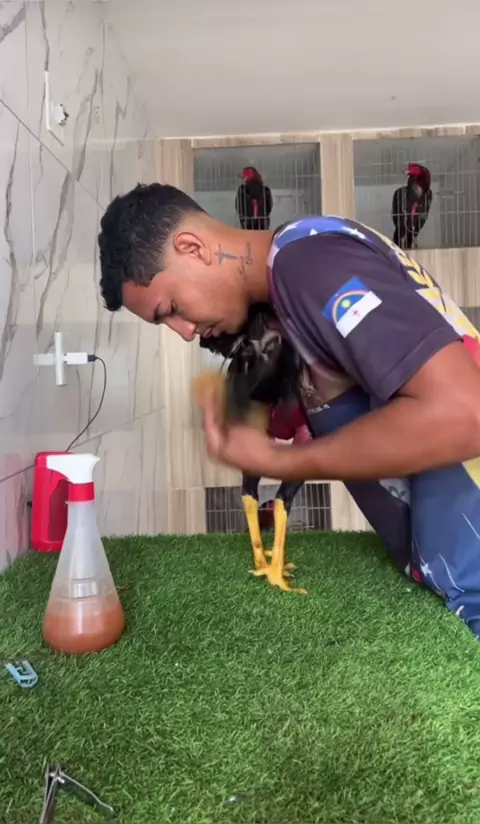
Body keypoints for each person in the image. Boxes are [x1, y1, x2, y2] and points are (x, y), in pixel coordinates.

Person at [98, 182, 480, 638]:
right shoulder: (294, 280)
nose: (182, 332)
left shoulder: (313, 265)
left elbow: (466, 414)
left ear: (192, 247)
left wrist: (282, 461)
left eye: (172, 308)